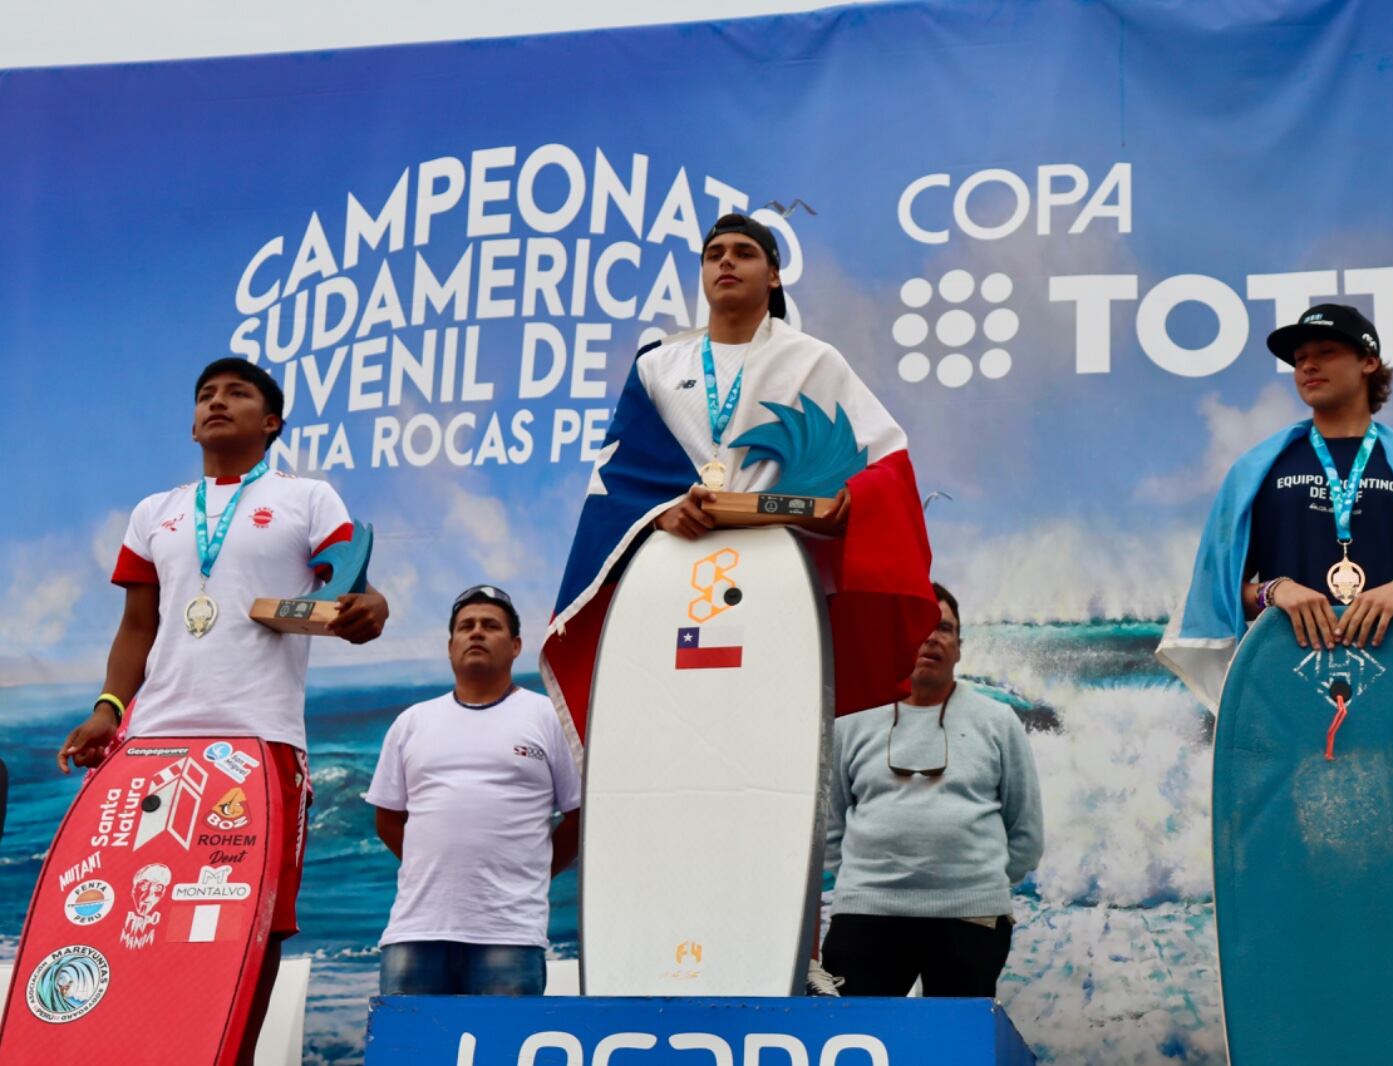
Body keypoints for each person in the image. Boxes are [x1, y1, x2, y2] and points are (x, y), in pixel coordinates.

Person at [53, 355, 389, 1058]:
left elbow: (351, 588)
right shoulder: (155, 513)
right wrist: (110, 707)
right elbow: (138, 626)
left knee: (249, 922)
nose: (216, 403)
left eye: (237, 394)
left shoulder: (307, 498)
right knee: (135, 915)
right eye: (205, 394)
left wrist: (369, 606)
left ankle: (226, 1053)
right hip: (152, 747)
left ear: (270, 422)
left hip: (258, 742)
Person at [1156, 303, 1393, 889]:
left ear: (1369, 362)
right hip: (1290, 699)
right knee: (1300, 874)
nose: (1306, 367)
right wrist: (1274, 591)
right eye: (1299, 359)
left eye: (1324, 354)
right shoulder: (1258, 471)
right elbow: (1218, 597)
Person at [541, 212, 937, 754]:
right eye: (713, 253)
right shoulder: (657, 367)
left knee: (767, 734)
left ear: (773, 276)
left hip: (778, 567)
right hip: (676, 566)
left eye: (743, 253)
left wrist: (852, 500)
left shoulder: (813, 361)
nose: (725, 261)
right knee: (678, 729)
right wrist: (660, 512)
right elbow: (616, 480)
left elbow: (888, 463)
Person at [822, 583, 1043, 997]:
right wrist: (867, 882)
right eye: (918, 627)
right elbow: (831, 826)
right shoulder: (850, 720)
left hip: (970, 921)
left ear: (959, 646)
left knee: (958, 1051)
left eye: (944, 627)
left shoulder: (998, 721)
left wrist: (976, 886)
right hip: (866, 916)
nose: (931, 637)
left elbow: (1026, 829)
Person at [367, 586, 581, 996]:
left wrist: (532, 871)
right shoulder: (412, 722)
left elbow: (578, 816)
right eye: (466, 626)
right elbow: (388, 818)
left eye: (491, 626)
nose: (477, 633)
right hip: (415, 930)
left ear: (516, 645)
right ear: (450, 648)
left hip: (510, 933)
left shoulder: (549, 717)